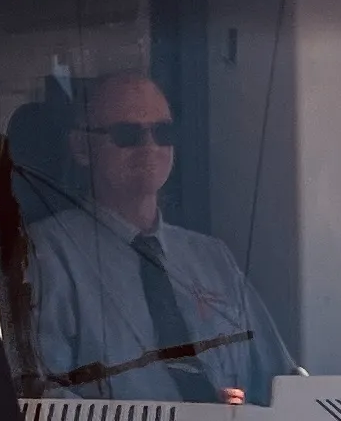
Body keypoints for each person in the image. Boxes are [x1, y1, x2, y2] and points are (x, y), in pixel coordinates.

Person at [21, 71, 281, 402]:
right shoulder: (45, 255)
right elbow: (42, 401)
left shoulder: (213, 258)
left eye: (163, 132)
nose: (149, 146)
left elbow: (281, 382)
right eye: (127, 134)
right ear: (81, 147)